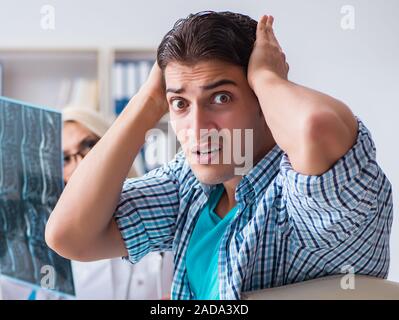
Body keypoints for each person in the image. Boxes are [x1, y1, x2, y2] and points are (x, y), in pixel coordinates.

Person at [45, 12, 393, 300]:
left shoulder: (298, 197)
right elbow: (69, 235)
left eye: (221, 98)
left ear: (261, 98)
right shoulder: (190, 189)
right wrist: (150, 102)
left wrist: (266, 76)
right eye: (180, 104)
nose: (197, 128)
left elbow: (316, 128)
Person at [1, 107, 173, 300]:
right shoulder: (40, 236)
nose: (82, 162)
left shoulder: (164, 207)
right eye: (65, 159)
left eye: (89, 145)